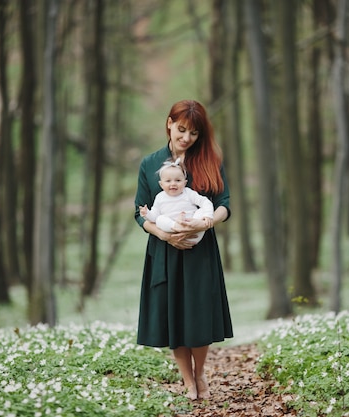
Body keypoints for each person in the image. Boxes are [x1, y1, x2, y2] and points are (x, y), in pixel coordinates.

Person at [134, 99, 233, 400]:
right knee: (174, 317)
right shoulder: (150, 164)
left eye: (193, 133)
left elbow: (224, 205)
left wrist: (204, 224)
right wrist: (163, 234)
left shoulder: (210, 161)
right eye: (181, 129)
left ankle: (200, 372)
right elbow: (140, 213)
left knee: (199, 316)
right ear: (169, 124)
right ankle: (188, 381)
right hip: (165, 253)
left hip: (199, 252)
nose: (186, 138)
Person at [139, 157, 214, 244]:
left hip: (194, 232)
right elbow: (154, 217)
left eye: (178, 180)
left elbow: (205, 201)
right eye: (168, 181)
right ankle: (177, 226)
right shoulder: (160, 197)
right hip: (173, 232)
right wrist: (146, 214)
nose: (173, 184)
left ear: (184, 183)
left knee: (202, 210)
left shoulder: (188, 193)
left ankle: (186, 226)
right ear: (161, 184)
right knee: (160, 219)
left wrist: (208, 215)